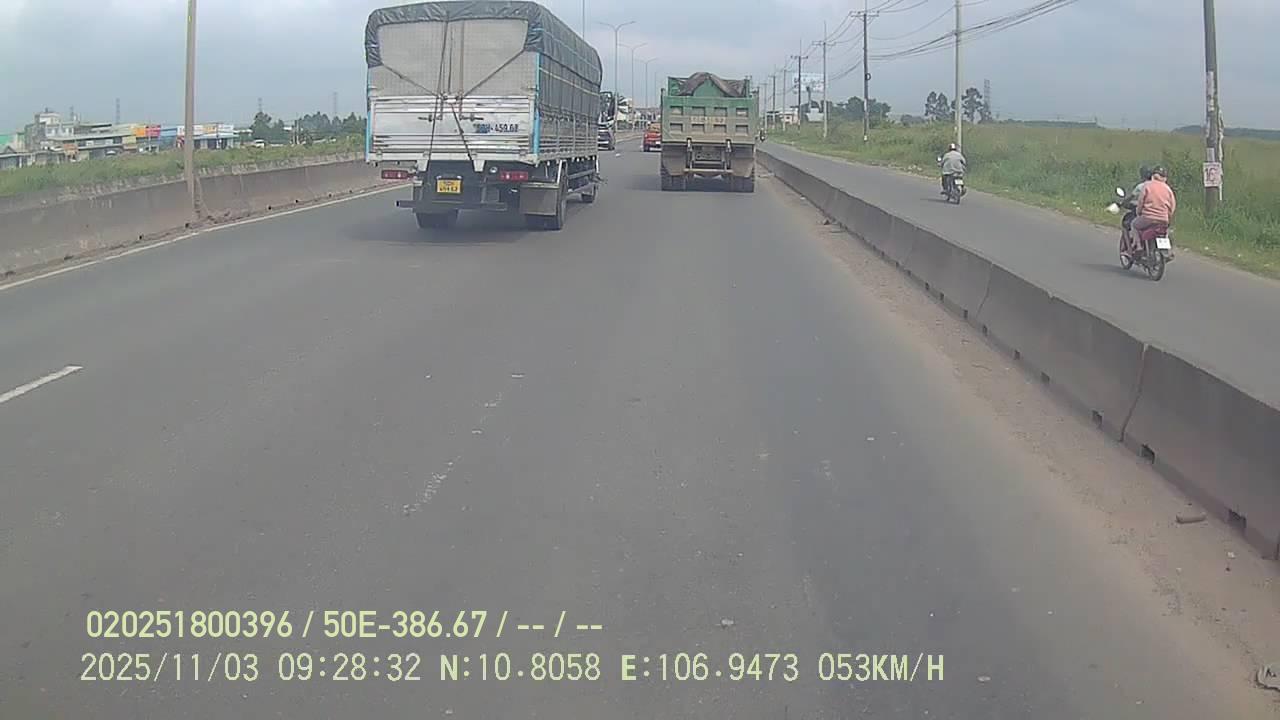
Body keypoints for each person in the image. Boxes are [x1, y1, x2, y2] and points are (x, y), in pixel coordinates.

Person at [1130, 165, 1176, 254]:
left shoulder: (1147, 186)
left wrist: (1139, 212)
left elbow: (1141, 201)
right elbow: (1172, 205)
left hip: (1148, 218)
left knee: (1134, 225)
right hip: (1163, 219)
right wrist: (1168, 216)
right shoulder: (1168, 189)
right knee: (1165, 232)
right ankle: (1167, 251)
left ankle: (1138, 246)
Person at [1121, 165, 1154, 247]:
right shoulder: (1158, 186)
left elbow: (1133, 198)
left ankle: (1138, 245)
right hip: (1161, 215)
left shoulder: (1141, 186)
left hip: (1146, 215)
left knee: (1133, 225)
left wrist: (1124, 202)